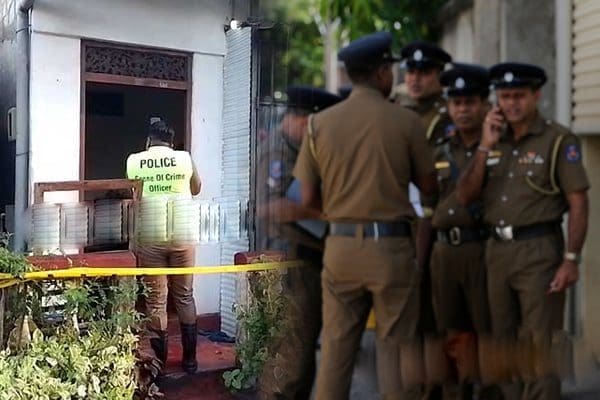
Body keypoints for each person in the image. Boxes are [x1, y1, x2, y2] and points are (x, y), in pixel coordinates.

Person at [293, 31, 437, 400]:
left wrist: (341, 211)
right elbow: (429, 187)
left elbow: (306, 197)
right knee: (395, 353)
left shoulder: (318, 124)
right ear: (382, 73)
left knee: (335, 353)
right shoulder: (406, 121)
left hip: (340, 248)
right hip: (391, 249)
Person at [457, 62, 589, 400]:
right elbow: (465, 196)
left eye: (519, 96)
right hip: (497, 252)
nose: (512, 104)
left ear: (536, 95)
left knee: (540, 343)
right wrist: (484, 145)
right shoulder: (492, 140)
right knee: (504, 343)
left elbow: (578, 202)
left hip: (539, 250)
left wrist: (571, 259)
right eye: (505, 96)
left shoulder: (557, 140)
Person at [257, 86, 341, 399]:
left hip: (307, 261)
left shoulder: (298, 149)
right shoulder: (277, 152)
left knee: (302, 357)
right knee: (291, 357)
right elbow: (268, 207)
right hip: (291, 263)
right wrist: (325, 213)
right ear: (306, 120)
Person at [432, 63, 494, 399]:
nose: (463, 110)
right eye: (456, 103)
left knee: (488, 331)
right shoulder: (440, 149)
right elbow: (427, 207)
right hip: (444, 252)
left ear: (484, 104)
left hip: (483, 249)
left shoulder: (498, 146)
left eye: (470, 102)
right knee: (451, 333)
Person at [126, 119, 202, 374]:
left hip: (151, 236)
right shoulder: (184, 158)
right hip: (182, 236)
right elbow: (196, 188)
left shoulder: (136, 160)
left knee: (156, 301)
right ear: (171, 142)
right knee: (185, 296)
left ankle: (160, 365)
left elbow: (135, 194)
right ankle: (190, 361)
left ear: (149, 141)